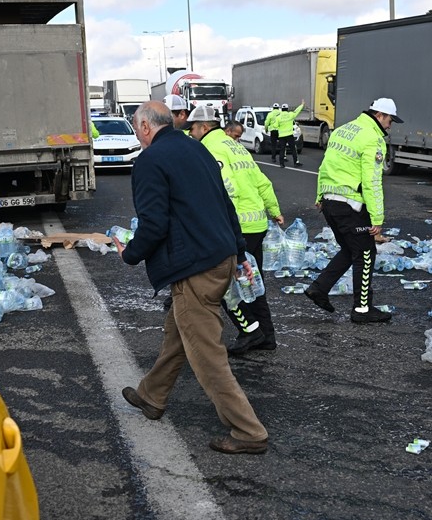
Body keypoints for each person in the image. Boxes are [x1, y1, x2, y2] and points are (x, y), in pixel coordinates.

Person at [117, 101, 269, 454]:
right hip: (221, 256)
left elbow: (154, 224)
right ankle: (151, 396)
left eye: (137, 129)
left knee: (206, 354)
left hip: (194, 267)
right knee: (179, 332)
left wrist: (130, 254)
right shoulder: (196, 148)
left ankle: (249, 432)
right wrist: (239, 250)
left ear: (143, 128)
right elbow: (225, 203)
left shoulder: (150, 161)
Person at [186, 103, 284, 354]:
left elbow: (224, 188)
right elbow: (263, 182)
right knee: (253, 282)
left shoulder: (210, 148)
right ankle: (267, 337)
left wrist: (211, 222)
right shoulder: (235, 146)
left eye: (193, 128)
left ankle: (249, 331)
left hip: (234, 226)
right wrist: (274, 211)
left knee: (226, 284)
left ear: (204, 127)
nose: (191, 133)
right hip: (256, 223)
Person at [304, 97, 401, 324]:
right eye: (390, 120)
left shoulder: (342, 130)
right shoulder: (373, 139)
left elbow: (325, 165)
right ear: (379, 115)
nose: (390, 125)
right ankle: (362, 309)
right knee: (366, 253)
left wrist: (320, 196)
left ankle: (319, 288)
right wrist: (377, 218)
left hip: (331, 203)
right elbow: (372, 181)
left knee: (350, 249)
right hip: (350, 205)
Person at [275, 100, 304, 167]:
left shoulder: (278, 117)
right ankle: (296, 162)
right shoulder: (290, 115)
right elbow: (297, 111)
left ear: (282, 109)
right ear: (287, 109)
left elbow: (275, 126)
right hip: (289, 135)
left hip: (282, 136)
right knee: (293, 149)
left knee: (282, 149)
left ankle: (281, 164)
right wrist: (302, 105)